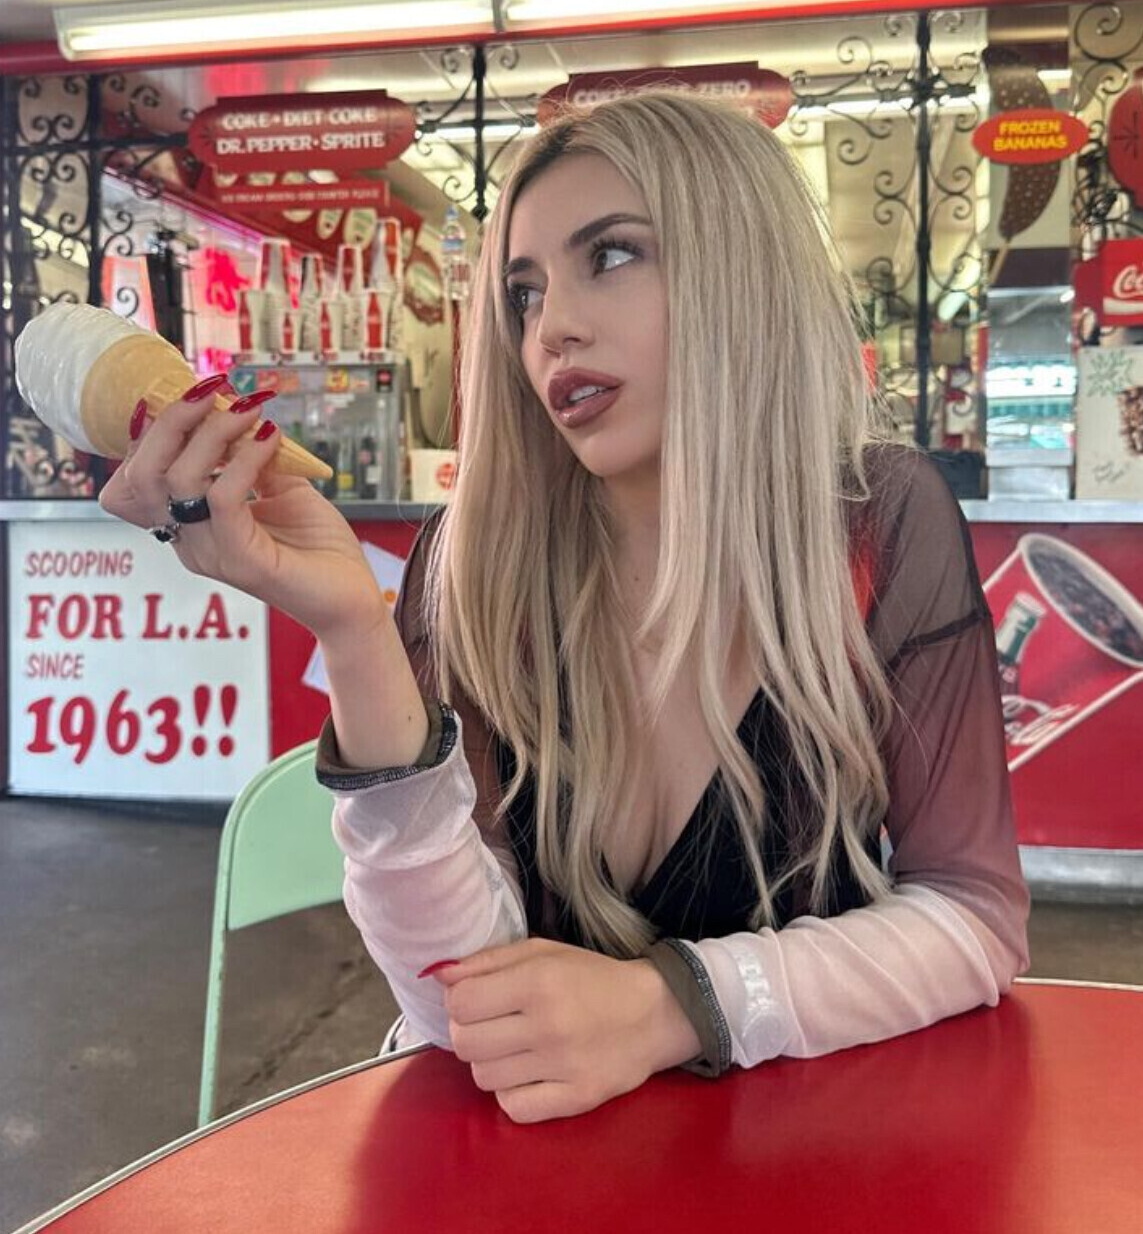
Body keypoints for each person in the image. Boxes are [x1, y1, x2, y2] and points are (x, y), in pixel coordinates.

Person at [100, 90, 1029, 1124]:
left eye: (613, 255)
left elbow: (974, 917)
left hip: (797, 1148)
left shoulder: (873, 524)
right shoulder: (473, 560)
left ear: (741, 267)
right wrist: (353, 630)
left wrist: (675, 1005)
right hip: (526, 1155)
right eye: (524, 293)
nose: (552, 329)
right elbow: (454, 1004)